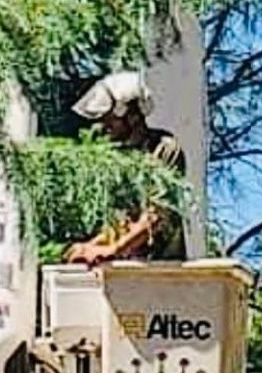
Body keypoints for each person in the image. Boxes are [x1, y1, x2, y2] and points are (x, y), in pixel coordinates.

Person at [64, 71, 186, 265]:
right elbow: (118, 223)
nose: (103, 125)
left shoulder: (163, 148)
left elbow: (155, 218)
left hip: (160, 271)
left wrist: (112, 250)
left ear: (130, 115)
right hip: (125, 268)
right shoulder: (119, 159)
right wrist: (90, 247)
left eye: (109, 118)